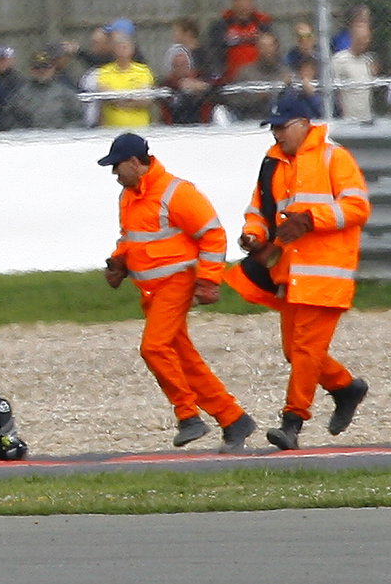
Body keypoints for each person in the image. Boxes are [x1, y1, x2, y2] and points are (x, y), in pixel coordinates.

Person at [99, 132, 256, 452]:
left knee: (154, 348)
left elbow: (212, 234)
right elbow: (131, 237)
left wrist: (209, 280)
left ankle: (188, 416)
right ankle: (233, 419)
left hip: (176, 284)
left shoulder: (176, 192)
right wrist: (120, 260)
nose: (114, 173)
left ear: (134, 162)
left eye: (117, 166)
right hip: (152, 292)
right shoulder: (128, 196)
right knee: (183, 360)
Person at [239, 92, 372, 451]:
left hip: (327, 275)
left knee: (305, 352)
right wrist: (252, 236)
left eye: (282, 127)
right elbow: (259, 211)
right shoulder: (274, 165)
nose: (276, 135)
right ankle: (346, 387)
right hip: (292, 275)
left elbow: (357, 207)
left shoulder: (334, 158)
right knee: (294, 351)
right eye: (273, 128)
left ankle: (292, 423)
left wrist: (312, 220)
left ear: (304, 125)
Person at [1, 48, 84, 129]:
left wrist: (63, 133)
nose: (42, 71)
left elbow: (78, 119)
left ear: (53, 69)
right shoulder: (19, 95)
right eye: (37, 67)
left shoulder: (66, 93)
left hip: (59, 139)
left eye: (46, 67)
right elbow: (9, 121)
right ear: (31, 70)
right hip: (29, 139)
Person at [92, 31, 155, 128]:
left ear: (132, 49)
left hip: (140, 128)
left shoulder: (143, 71)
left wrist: (119, 101)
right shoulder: (104, 72)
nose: (122, 50)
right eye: (119, 47)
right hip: (111, 129)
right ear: (113, 50)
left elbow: (146, 100)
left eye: (125, 47)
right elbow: (107, 98)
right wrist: (132, 98)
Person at [208, 0, 271, 80]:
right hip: (230, 78)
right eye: (239, 0)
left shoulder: (262, 24)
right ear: (233, 3)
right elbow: (214, 52)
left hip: (259, 77)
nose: (243, 4)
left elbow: (272, 50)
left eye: (246, 0)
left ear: (252, 2)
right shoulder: (221, 25)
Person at [331, 19, 379, 122]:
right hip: (347, 119)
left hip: (366, 118)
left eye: (366, 38)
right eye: (361, 39)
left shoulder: (368, 61)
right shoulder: (340, 60)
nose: (364, 42)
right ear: (352, 38)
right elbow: (334, 90)